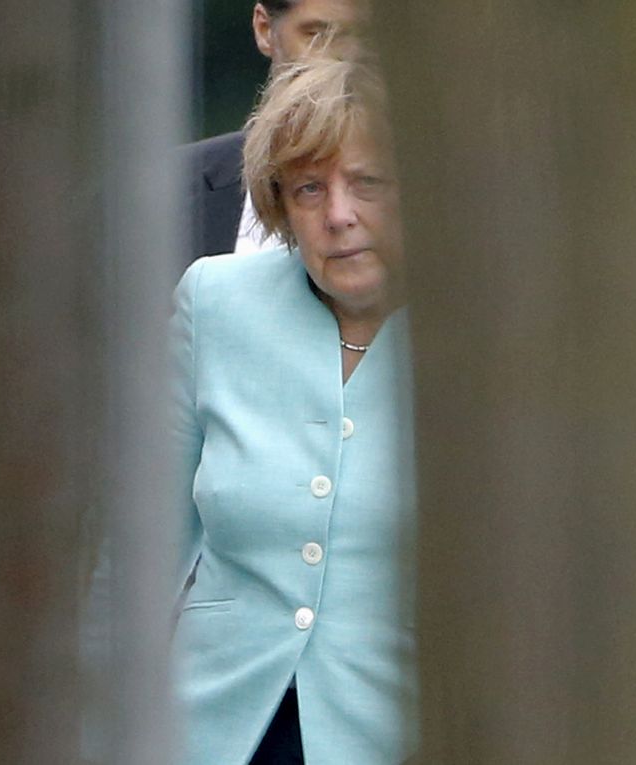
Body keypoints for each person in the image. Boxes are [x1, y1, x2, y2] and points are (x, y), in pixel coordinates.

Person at [170, 54, 414, 764]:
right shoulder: (214, 300)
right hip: (209, 732)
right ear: (279, 205)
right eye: (310, 188)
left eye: (369, 183)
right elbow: (134, 552)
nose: (338, 215)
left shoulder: (485, 338)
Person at [181, 0, 369, 263]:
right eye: (319, 36)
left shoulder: (429, 195)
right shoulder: (163, 193)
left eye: (372, 40)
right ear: (264, 29)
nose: (347, 59)